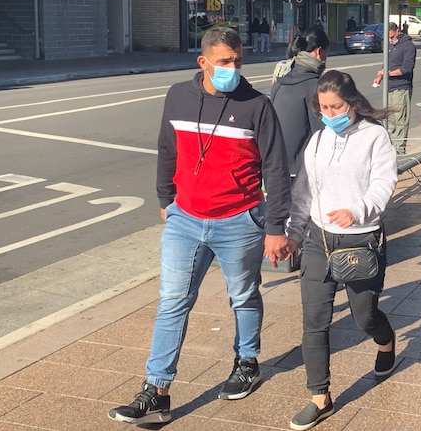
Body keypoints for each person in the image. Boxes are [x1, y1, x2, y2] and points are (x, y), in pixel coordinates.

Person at [108, 27, 294, 425]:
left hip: (239, 220)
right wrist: (165, 199)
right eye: (225, 61)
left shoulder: (256, 104)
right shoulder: (178, 95)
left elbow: (276, 169)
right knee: (172, 301)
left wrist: (276, 227)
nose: (233, 69)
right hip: (185, 219)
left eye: (238, 61)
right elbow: (166, 148)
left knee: (243, 295)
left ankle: (247, 361)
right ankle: (156, 390)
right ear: (204, 62)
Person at [286, 70, 398, 430]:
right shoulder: (317, 141)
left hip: (359, 239)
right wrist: (292, 233)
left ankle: (385, 342)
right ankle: (320, 397)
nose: (330, 114)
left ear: (352, 103)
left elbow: (384, 183)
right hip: (319, 239)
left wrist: (358, 210)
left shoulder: (373, 136)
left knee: (364, 316)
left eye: (336, 107)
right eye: (323, 108)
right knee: (314, 322)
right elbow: (303, 193)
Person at [270, 28, 330, 177]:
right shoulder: (314, 87)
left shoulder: (279, 83)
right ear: (319, 52)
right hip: (301, 174)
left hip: (275, 168)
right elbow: (322, 135)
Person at [372, 22, 416, 153]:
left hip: (401, 87)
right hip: (389, 87)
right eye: (388, 38)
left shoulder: (408, 46)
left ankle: (399, 149)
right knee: (390, 119)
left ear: (398, 31)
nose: (390, 40)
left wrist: (388, 73)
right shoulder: (390, 46)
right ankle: (391, 149)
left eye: (392, 37)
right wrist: (380, 76)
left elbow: (406, 68)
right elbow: (386, 63)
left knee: (400, 119)